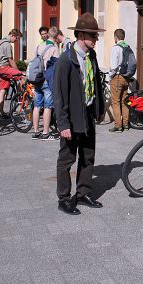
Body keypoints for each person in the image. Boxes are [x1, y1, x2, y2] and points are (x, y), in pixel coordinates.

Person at [53, 13, 106, 215]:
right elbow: (59, 95)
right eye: (93, 35)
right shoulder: (66, 60)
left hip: (88, 113)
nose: (96, 39)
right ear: (81, 35)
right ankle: (64, 198)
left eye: (96, 35)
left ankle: (83, 193)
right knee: (66, 159)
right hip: (72, 117)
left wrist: (99, 109)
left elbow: (96, 85)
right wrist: (63, 124)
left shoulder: (91, 57)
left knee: (88, 156)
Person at [31, 27, 60, 141]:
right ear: (56, 37)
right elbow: (57, 66)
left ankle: (36, 131)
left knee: (37, 106)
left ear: (48, 35)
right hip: (48, 80)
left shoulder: (39, 46)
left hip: (38, 79)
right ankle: (46, 132)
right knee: (48, 106)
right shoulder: (54, 48)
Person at [0, 29, 24, 115]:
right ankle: (20, 98)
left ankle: (1, 111)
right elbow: (11, 61)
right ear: (13, 36)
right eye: (17, 38)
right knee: (21, 76)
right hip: (4, 68)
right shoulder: (7, 45)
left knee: (3, 90)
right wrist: (18, 71)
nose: (17, 41)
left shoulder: (0, 42)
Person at [108, 28, 132, 132]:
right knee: (124, 101)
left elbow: (113, 66)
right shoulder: (127, 47)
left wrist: (110, 76)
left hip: (117, 77)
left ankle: (118, 126)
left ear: (115, 37)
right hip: (126, 77)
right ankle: (126, 124)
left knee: (116, 102)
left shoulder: (116, 48)